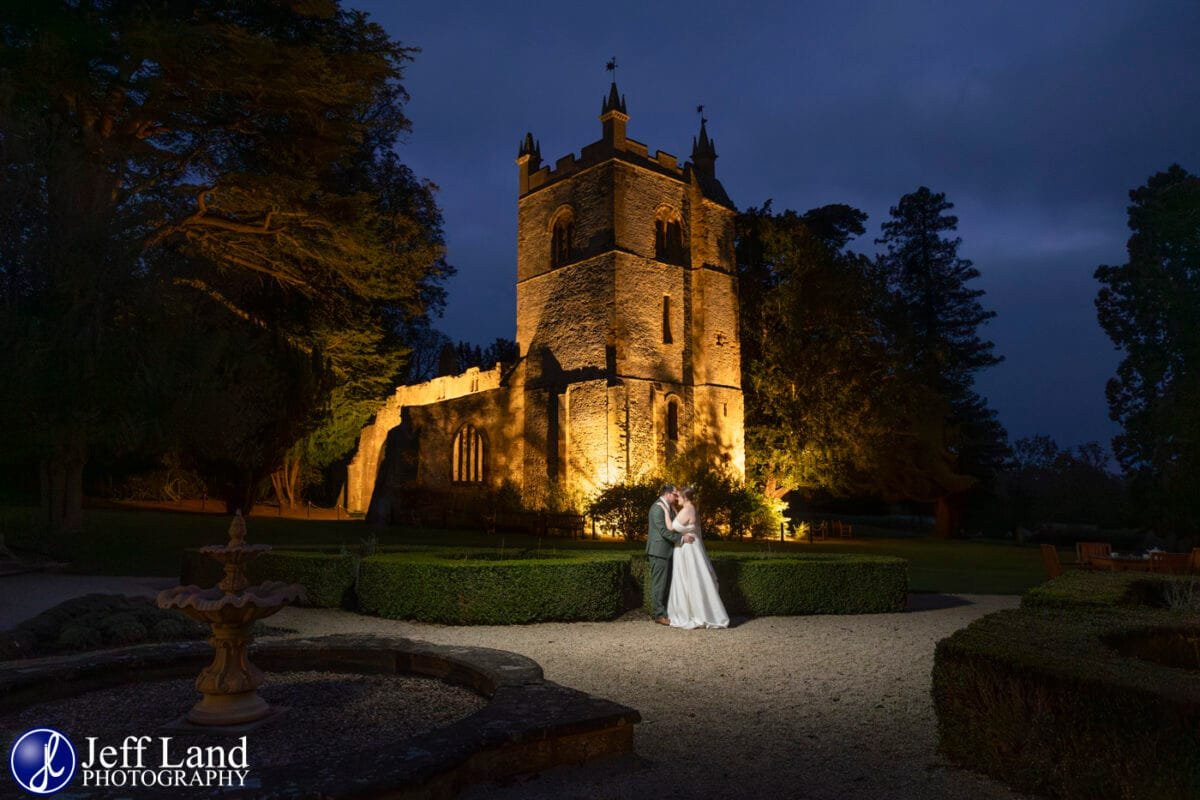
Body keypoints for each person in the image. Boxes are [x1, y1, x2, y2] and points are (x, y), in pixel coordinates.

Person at [667, 486, 729, 629]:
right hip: (691, 546)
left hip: (686, 549)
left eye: (679, 497)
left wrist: (665, 510)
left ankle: (691, 613)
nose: (677, 499)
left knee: (688, 578)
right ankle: (700, 611)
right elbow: (681, 520)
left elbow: (671, 527)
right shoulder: (690, 509)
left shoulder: (687, 510)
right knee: (695, 577)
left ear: (685, 498)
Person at [646, 485, 692, 625]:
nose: (677, 497)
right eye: (675, 494)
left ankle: (665, 612)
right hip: (659, 552)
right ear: (667, 494)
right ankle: (659, 615)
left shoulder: (668, 507)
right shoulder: (657, 508)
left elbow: (673, 525)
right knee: (659, 585)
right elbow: (664, 532)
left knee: (666, 584)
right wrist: (682, 539)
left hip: (667, 551)